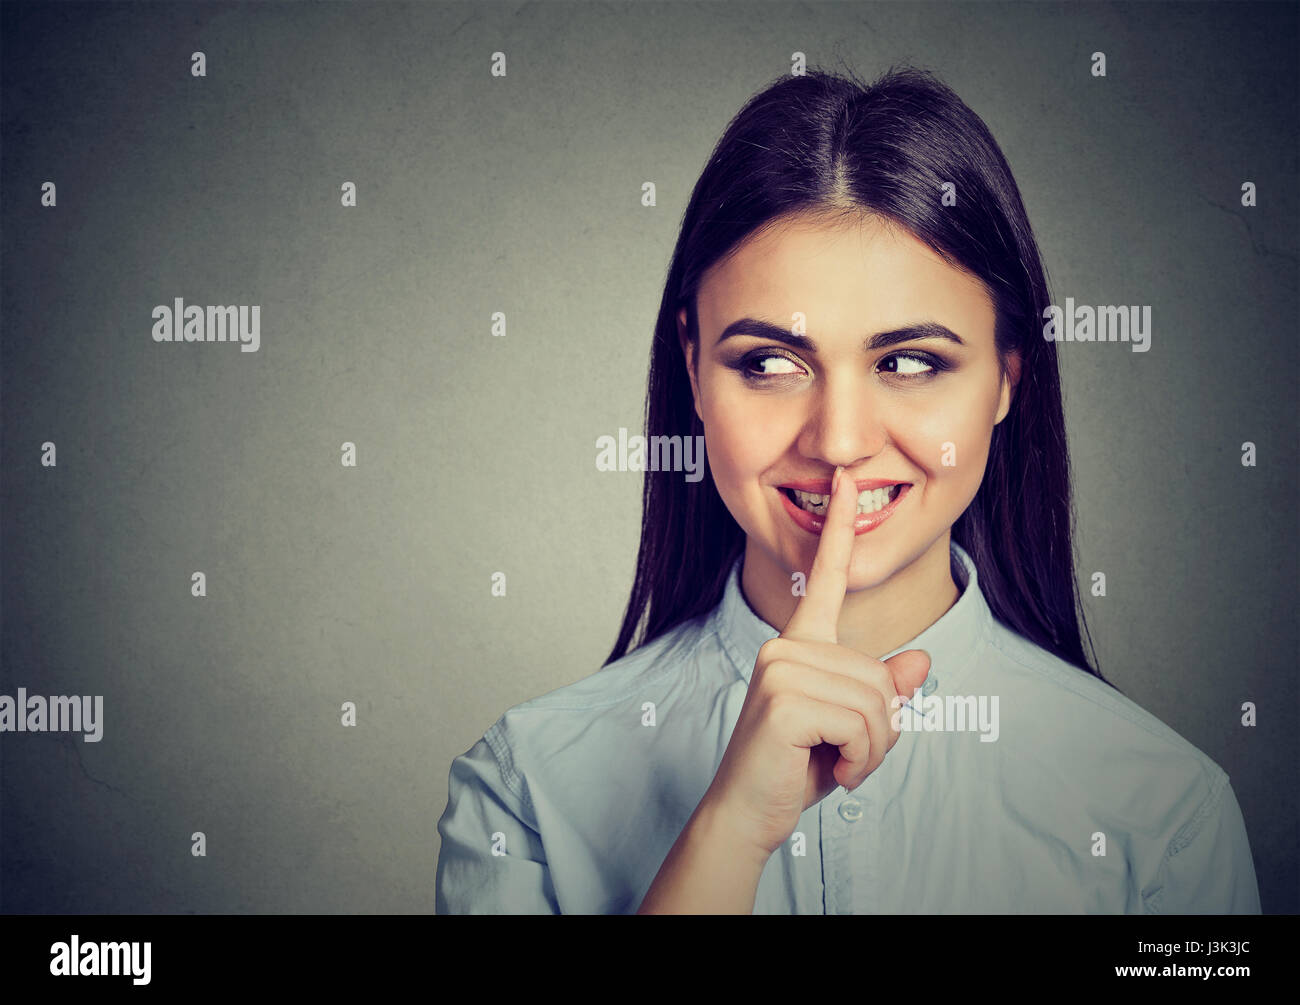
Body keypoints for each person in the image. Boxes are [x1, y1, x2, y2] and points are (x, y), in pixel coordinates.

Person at [435, 66, 1261, 914]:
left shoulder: (1166, 820)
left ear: (1008, 375)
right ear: (691, 363)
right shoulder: (526, 790)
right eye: (770, 363)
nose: (838, 441)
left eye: (909, 362)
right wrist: (726, 833)